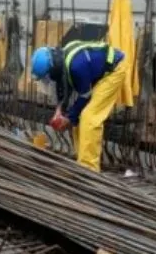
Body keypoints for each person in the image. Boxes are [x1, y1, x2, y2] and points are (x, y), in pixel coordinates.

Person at [30, 40, 127, 172]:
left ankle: (89, 169)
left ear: (53, 69)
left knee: (89, 117)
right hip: (100, 74)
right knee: (79, 119)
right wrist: (60, 111)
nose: (49, 81)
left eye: (47, 77)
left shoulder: (77, 66)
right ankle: (82, 162)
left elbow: (84, 96)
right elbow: (64, 85)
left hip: (114, 71)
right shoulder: (64, 60)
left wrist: (69, 118)